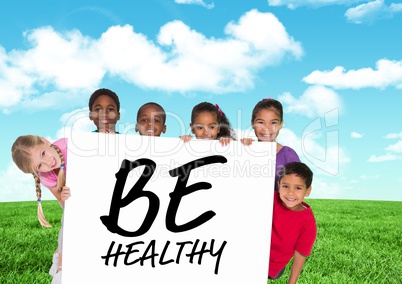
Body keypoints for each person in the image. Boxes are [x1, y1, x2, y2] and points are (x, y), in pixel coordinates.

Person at [11, 135, 71, 284]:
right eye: (39, 166)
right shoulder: (46, 176)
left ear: (45, 141)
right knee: (68, 226)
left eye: (43, 153)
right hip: (73, 204)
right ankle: (62, 270)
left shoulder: (70, 146)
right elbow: (64, 205)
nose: (48, 162)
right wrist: (67, 199)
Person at [269, 162, 316, 283]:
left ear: (307, 191)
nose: (290, 192)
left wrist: (291, 282)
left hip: (273, 267)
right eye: (285, 186)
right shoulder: (270, 198)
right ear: (278, 185)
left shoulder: (308, 222)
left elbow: (301, 254)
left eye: (298, 188)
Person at [241, 98, 300, 191]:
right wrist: (240, 147)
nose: (266, 128)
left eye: (273, 123)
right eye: (260, 122)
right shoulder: (245, 148)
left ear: (281, 124)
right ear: (252, 123)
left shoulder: (288, 155)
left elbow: (298, 186)